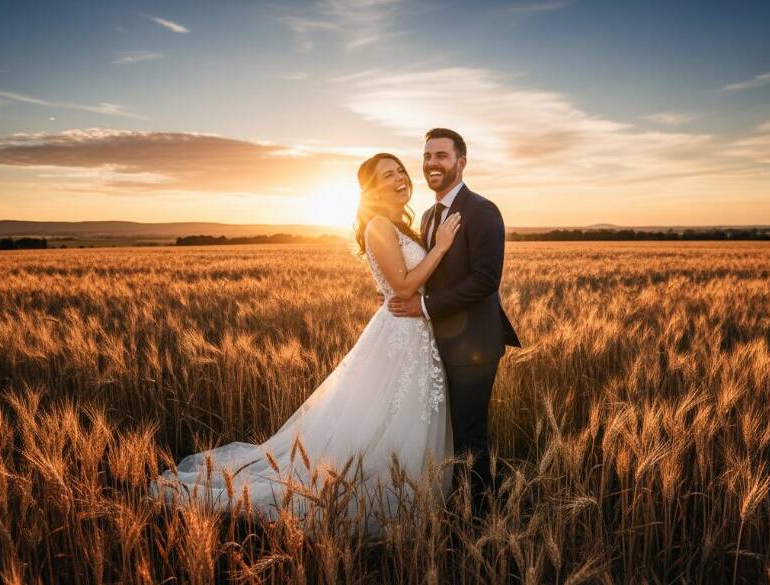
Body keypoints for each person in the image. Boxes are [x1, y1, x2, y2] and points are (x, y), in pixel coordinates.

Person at [149, 153, 460, 533]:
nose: (399, 179)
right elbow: (405, 285)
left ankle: (413, 496)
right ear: (371, 190)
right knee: (389, 421)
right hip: (401, 337)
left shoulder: (398, 226)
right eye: (386, 175)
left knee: (404, 419)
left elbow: (405, 282)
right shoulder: (379, 224)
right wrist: (442, 246)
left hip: (414, 334)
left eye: (400, 171)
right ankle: (389, 500)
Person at [388, 128, 521, 516]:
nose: (432, 163)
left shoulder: (482, 210)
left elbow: (485, 280)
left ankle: (479, 516)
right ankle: (456, 503)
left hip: (474, 347)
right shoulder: (429, 215)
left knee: (470, 435)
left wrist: (425, 307)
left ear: (461, 163)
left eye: (441, 156)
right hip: (437, 343)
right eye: (427, 156)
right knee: (448, 435)